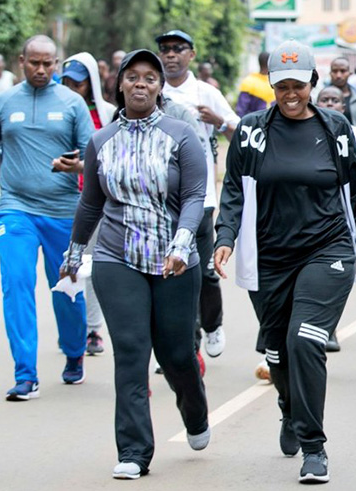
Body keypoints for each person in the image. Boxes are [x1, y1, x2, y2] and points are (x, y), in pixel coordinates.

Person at [214, 39, 356, 484]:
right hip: (269, 257)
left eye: (298, 84)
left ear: (313, 82)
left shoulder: (336, 128)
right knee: (277, 350)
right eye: (281, 85)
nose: (290, 93)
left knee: (305, 340)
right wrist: (224, 237)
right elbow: (232, 190)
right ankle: (289, 407)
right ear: (271, 85)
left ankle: (314, 447)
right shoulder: (251, 130)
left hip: (327, 250)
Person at [60, 49, 210, 479]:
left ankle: (195, 413)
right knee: (130, 351)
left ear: (160, 87)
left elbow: (196, 196)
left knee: (177, 353)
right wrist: (74, 253)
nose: (141, 84)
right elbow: (90, 204)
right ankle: (133, 451)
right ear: (120, 85)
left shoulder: (181, 134)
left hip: (173, 260)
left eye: (150, 78)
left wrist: (182, 244)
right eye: (133, 77)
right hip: (116, 255)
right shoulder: (101, 140)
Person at [0, 35, 94, 401]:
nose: (41, 69)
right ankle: (26, 374)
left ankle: (74, 351)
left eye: (48, 63)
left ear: (57, 64)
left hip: (62, 211)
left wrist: (77, 166)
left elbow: (94, 159)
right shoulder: (6, 101)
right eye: (34, 62)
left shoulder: (72, 104)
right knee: (16, 283)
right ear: (22, 61)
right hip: (15, 207)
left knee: (67, 288)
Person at [156, 29, 239, 361]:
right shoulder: (153, 91)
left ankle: (213, 324)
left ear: (191, 54)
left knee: (204, 272)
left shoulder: (206, 92)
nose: (171, 54)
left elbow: (240, 135)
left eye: (178, 48)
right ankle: (185, 346)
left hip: (200, 198)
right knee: (171, 273)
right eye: (165, 49)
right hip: (161, 201)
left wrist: (218, 121)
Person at [61, 52, 117, 356]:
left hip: (94, 200)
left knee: (90, 265)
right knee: (66, 266)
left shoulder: (107, 114)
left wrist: (82, 167)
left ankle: (94, 329)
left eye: (78, 84)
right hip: (60, 199)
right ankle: (71, 330)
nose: (72, 88)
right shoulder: (56, 110)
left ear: (90, 83)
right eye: (67, 82)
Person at [236, 52, 275, 117]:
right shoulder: (275, 83)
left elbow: (241, 109)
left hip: (252, 123)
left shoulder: (248, 81)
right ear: (270, 63)